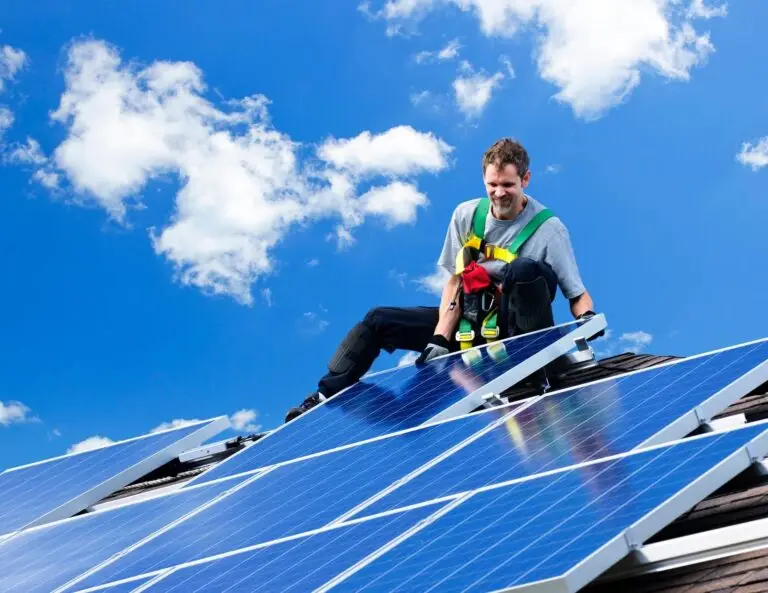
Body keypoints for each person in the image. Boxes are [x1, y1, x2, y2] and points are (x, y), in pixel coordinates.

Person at [284, 137, 598, 423]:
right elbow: (455, 280)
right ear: (483, 180)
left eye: (507, 184)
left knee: (525, 269)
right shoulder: (466, 216)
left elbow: (576, 293)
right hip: (469, 324)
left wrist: (586, 319)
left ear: (525, 180)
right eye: (492, 185)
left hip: (514, 330)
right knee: (378, 320)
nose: (499, 193)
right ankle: (324, 397)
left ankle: (531, 369)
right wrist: (439, 339)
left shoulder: (549, 229)